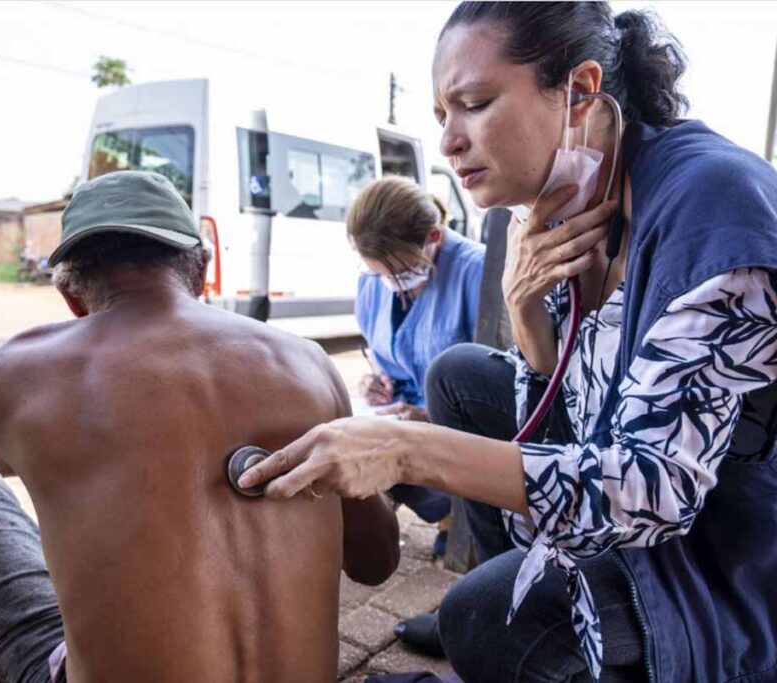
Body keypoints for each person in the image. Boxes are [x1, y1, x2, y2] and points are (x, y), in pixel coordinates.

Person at [238, 3, 777, 682]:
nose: (448, 142)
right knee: (459, 376)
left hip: (715, 559)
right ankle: (508, 598)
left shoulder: (712, 208)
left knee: (485, 616)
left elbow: (650, 493)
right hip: (623, 496)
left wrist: (403, 448)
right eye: (442, 115)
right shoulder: (577, 192)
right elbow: (572, 418)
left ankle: (509, 621)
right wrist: (524, 309)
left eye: (474, 104)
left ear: (579, 91)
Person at [0, 171, 400, 683]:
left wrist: (17, 443)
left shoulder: (17, 373)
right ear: (202, 271)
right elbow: (376, 561)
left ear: (71, 296)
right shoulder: (308, 362)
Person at [350, 177, 485, 551]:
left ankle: (457, 517)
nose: (394, 286)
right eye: (381, 275)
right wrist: (376, 381)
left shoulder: (477, 273)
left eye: (402, 273)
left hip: (459, 433)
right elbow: (384, 355)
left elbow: (499, 385)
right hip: (397, 420)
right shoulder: (373, 282)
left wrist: (431, 416)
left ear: (434, 237)